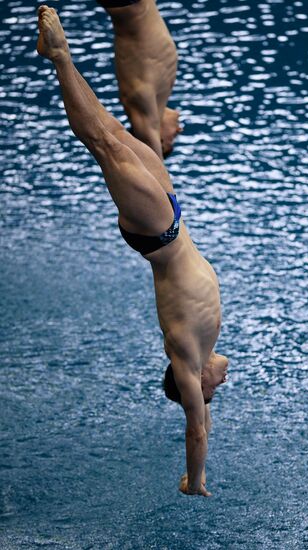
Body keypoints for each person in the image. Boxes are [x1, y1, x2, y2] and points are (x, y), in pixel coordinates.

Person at [37, 6, 228, 497]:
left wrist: (196, 480)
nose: (219, 390)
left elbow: (196, 428)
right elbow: (211, 402)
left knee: (104, 143)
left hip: (158, 234)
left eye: (209, 395)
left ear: (195, 387)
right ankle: (62, 60)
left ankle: (59, 57)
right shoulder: (204, 354)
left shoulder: (187, 359)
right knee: (121, 135)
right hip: (170, 218)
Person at [96, 0, 182, 159]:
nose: (179, 131)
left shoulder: (143, 110)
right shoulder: (160, 94)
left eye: (173, 139)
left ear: (159, 140)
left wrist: (155, 154)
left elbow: (154, 163)